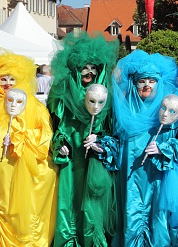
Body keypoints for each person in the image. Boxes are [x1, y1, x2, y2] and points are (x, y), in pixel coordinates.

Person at [112, 50, 178, 246]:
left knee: (158, 220)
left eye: (151, 81)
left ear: (159, 84)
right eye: (142, 81)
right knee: (132, 216)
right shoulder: (124, 112)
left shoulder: (168, 112)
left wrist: (163, 149)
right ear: (134, 84)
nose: (146, 85)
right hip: (130, 180)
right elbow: (115, 143)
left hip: (158, 179)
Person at [0, 49, 58, 246]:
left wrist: (21, 138)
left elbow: (45, 137)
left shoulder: (34, 106)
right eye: (3, 79)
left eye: (12, 79)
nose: (8, 83)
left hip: (19, 175)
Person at [48, 31, 119, 247]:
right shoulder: (62, 98)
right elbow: (55, 130)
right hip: (72, 164)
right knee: (70, 204)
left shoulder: (109, 100)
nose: (88, 72)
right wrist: (61, 145)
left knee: (93, 208)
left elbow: (115, 136)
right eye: (83, 67)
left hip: (96, 166)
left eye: (93, 68)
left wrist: (101, 144)